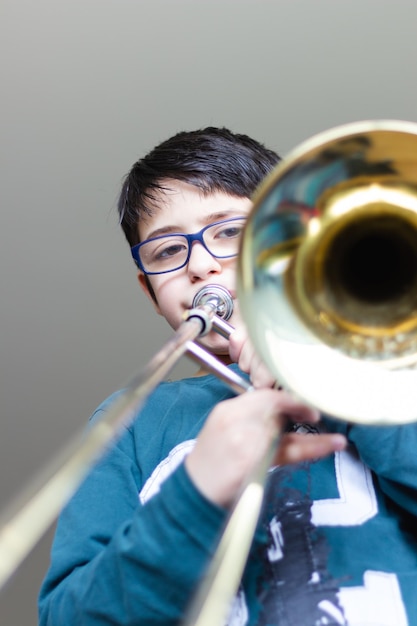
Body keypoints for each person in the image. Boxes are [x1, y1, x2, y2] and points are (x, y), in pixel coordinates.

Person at [38, 127, 417, 626]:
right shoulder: (130, 420)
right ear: (150, 292)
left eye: (230, 232)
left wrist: (331, 379)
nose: (198, 264)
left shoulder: (391, 370)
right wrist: (194, 493)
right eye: (167, 252)